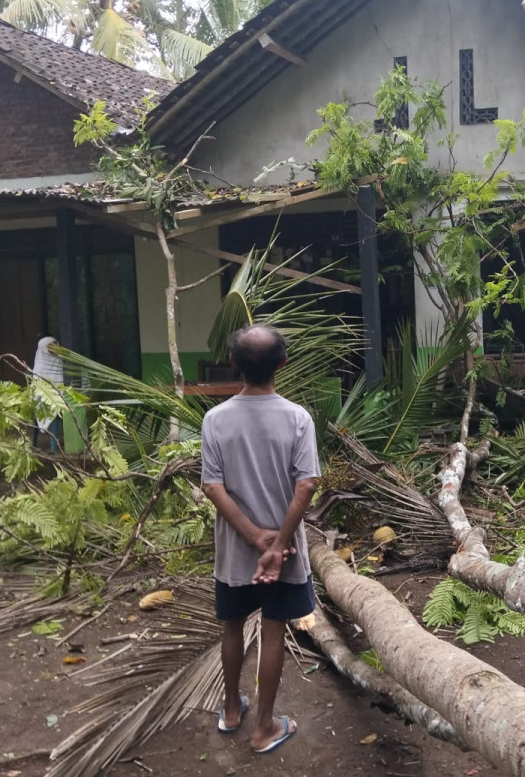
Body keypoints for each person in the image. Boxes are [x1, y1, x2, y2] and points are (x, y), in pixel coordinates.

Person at [200, 324, 317, 755]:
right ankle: (264, 726)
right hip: (283, 553)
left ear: (233, 364)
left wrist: (252, 539)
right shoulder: (297, 418)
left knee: (232, 627)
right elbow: (305, 487)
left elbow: (213, 487)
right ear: (282, 364)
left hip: (234, 549)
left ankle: (232, 710)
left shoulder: (215, 419)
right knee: (273, 631)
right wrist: (277, 545)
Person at [31, 336, 63, 450]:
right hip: (43, 398)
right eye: (50, 347)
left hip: (59, 397)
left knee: (56, 411)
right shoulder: (40, 366)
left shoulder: (59, 360)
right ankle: (38, 443)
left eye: (55, 346)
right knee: (48, 409)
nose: (54, 349)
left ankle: (54, 447)